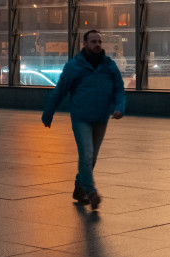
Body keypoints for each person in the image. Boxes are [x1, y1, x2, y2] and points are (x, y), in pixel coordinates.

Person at [41, 30, 126, 209]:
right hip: (81, 118)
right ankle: (91, 191)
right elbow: (60, 90)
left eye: (99, 42)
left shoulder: (109, 65)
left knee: (92, 158)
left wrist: (120, 107)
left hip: (101, 118)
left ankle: (79, 189)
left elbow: (119, 88)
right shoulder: (74, 66)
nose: (97, 45)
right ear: (85, 44)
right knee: (86, 154)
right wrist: (49, 112)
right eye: (93, 41)